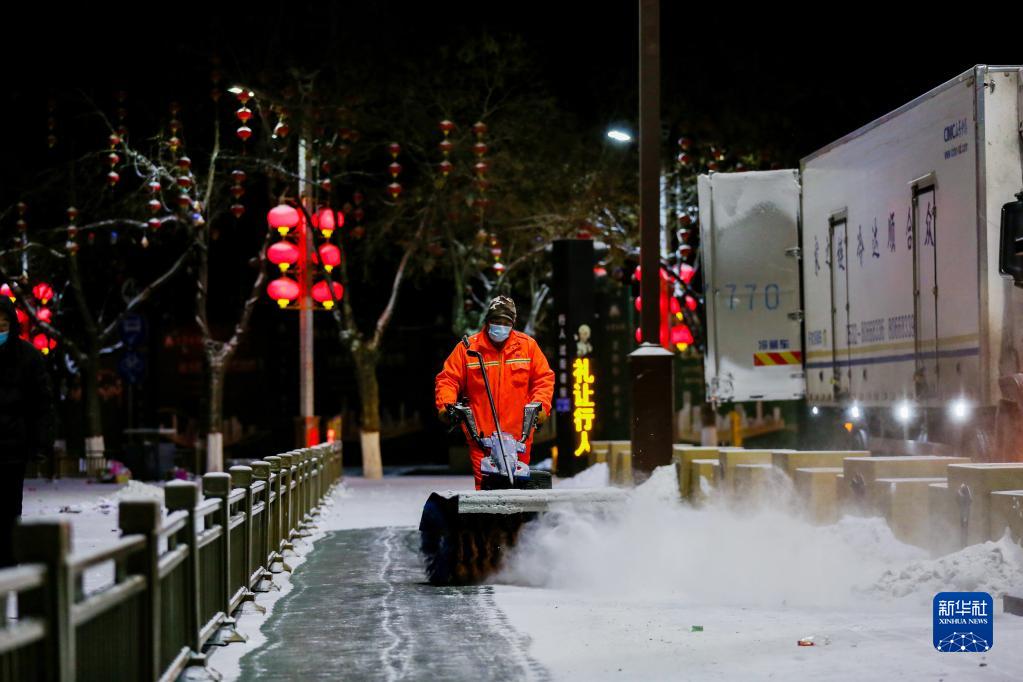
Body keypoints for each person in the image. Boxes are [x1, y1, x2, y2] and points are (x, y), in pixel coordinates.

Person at [435, 296, 554, 489]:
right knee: (486, 490)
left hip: (519, 437)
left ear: (513, 324)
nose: (501, 326)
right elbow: (448, 379)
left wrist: (541, 406)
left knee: (519, 487)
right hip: (481, 438)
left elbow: (543, 379)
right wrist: (446, 406)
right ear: (487, 321)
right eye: (496, 321)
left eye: (506, 323)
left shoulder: (528, 347)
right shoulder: (468, 349)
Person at [0, 297, 55, 566]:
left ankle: (9, 564)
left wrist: (40, 443)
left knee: (10, 511)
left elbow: (41, 404)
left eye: (3, 324)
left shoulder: (29, 357)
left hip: (12, 450)